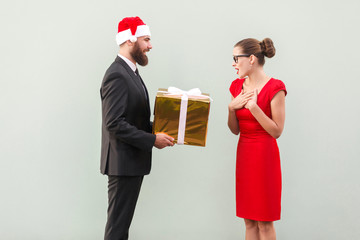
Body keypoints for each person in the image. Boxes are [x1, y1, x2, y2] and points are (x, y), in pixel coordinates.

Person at [100, 16, 174, 240]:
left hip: (130, 162)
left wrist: (165, 130)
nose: (150, 46)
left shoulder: (131, 72)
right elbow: (114, 123)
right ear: (130, 40)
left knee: (121, 227)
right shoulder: (116, 74)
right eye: (146, 40)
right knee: (117, 228)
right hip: (122, 163)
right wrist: (153, 140)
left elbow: (134, 120)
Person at [227, 38, 287, 240]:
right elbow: (234, 130)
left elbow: (277, 131)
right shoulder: (236, 86)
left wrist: (254, 108)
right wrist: (231, 108)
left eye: (236, 58)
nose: (234, 63)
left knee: (264, 222)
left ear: (251, 58)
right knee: (249, 220)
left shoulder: (275, 87)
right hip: (244, 155)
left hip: (264, 157)